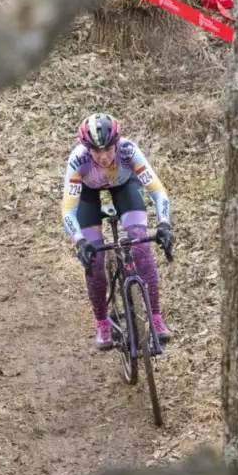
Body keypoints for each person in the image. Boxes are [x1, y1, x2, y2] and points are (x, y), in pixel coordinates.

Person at [60, 113, 174, 351]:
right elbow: (68, 210)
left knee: (141, 246)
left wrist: (164, 224)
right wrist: (80, 242)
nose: (103, 156)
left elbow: (158, 191)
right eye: (96, 151)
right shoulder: (78, 161)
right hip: (88, 195)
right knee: (96, 258)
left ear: (117, 143)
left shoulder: (129, 152)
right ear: (86, 148)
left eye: (108, 149)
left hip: (124, 187)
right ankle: (102, 322)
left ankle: (155, 317)